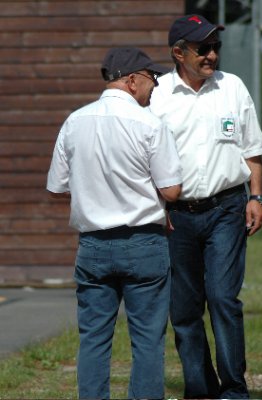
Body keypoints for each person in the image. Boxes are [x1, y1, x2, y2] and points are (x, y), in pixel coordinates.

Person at [46, 47, 182, 400]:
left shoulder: (75, 121)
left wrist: (94, 194)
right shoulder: (150, 123)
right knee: (148, 339)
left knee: (93, 337)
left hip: (93, 245)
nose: (155, 86)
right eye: (152, 79)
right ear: (132, 80)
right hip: (143, 242)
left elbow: (58, 188)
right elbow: (171, 189)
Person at [150, 14, 262, 399]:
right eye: (203, 48)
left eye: (215, 47)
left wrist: (256, 197)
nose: (212, 55)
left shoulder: (232, 87)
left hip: (226, 210)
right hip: (176, 217)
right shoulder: (156, 96)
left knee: (222, 298)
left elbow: (252, 149)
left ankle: (234, 390)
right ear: (178, 52)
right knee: (184, 310)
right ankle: (200, 390)